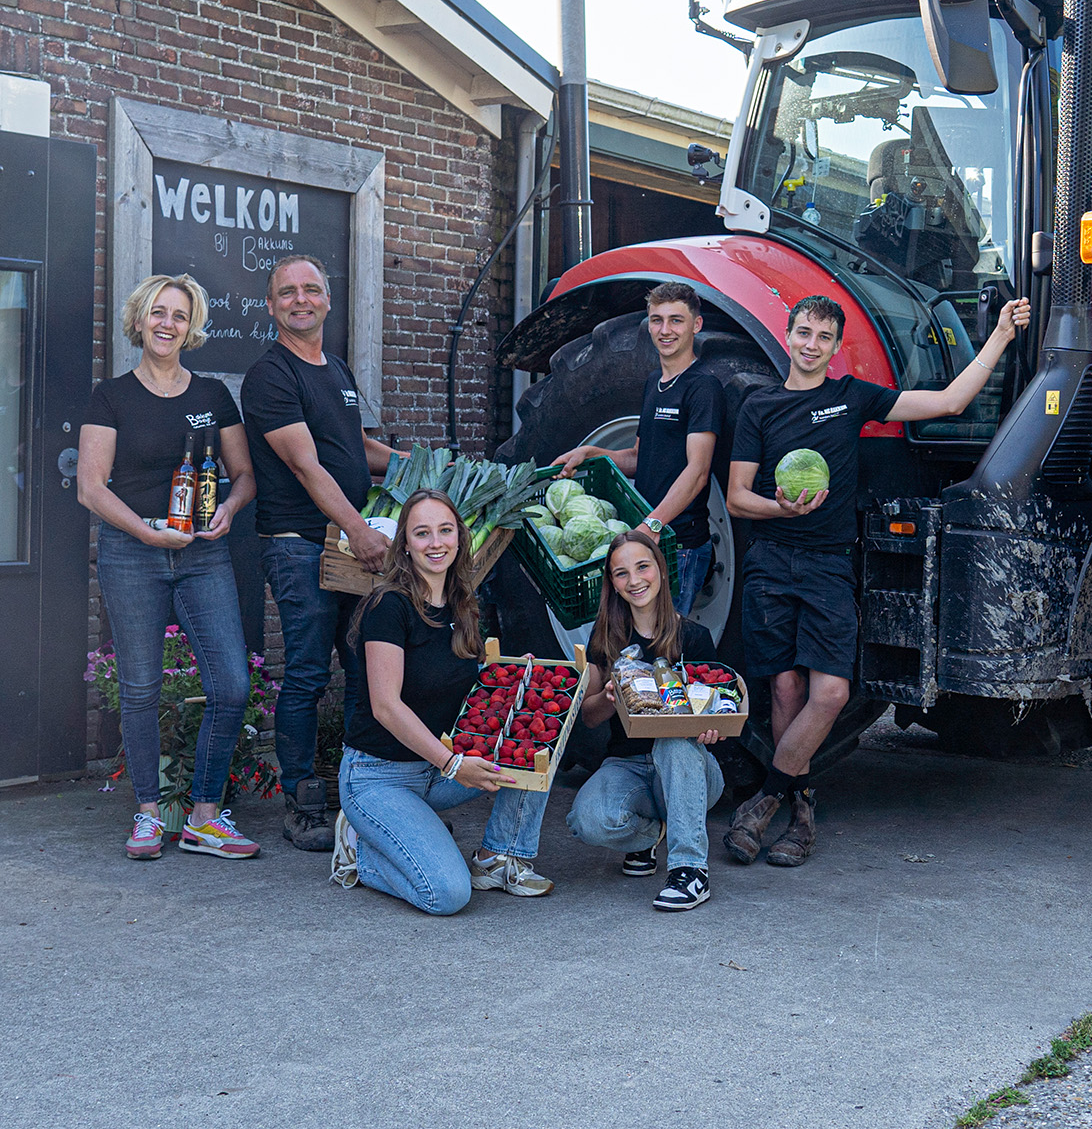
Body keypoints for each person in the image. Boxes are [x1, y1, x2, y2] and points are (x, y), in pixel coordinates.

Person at [725, 291, 1031, 868]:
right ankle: (802, 814)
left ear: (837, 348)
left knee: (832, 693)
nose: (810, 345)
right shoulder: (759, 408)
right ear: (788, 337)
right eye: (803, 333)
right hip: (772, 562)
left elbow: (948, 402)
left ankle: (765, 800)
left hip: (828, 564)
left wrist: (1001, 338)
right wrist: (781, 509)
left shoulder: (850, 398)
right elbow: (738, 498)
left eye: (822, 337)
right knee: (786, 690)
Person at [77, 273, 259, 861]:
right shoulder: (111, 396)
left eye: (179, 315)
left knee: (231, 683)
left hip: (204, 551)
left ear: (191, 326)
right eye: (158, 312)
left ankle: (205, 814)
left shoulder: (210, 395)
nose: (167, 323)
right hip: (133, 552)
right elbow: (90, 488)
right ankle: (150, 814)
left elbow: (244, 476)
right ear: (140, 320)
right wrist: (147, 531)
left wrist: (229, 509)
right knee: (140, 688)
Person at [241, 254, 403, 853]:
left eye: (311, 290)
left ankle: (362, 785)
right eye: (288, 292)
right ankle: (302, 801)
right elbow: (307, 466)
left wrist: (426, 470)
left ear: (328, 301)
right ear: (271, 304)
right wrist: (361, 531)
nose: (300, 300)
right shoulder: (271, 375)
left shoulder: (334, 368)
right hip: (301, 544)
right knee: (308, 672)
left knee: (362, 665)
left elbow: (355, 447)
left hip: (344, 545)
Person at [338, 489, 554, 914]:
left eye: (445, 530)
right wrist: (452, 763)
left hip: (437, 768)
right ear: (405, 543)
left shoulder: (461, 604)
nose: (435, 542)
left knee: (538, 746)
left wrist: (513, 677)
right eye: (422, 533)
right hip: (378, 777)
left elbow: (468, 689)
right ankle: (359, 852)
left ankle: (498, 857)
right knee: (447, 894)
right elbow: (385, 706)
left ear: (459, 538)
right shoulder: (388, 607)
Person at [566, 530, 726, 910]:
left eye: (642, 567)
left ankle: (690, 871)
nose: (634, 580)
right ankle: (651, 836)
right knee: (586, 821)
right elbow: (587, 718)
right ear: (613, 585)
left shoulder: (695, 637)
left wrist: (712, 728)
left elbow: (720, 709)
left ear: (661, 570)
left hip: (691, 768)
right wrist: (608, 699)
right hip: (629, 767)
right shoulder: (604, 639)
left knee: (673, 736)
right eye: (621, 573)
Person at [555, 282, 727, 615]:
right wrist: (589, 453)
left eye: (676, 320)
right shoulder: (654, 383)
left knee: (662, 644)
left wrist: (654, 525)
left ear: (696, 325)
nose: (665, 330)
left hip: (679, 545)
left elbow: (698, 470)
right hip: (647, 538)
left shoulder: (703, 388)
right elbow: (637, 457)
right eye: (657, 320)